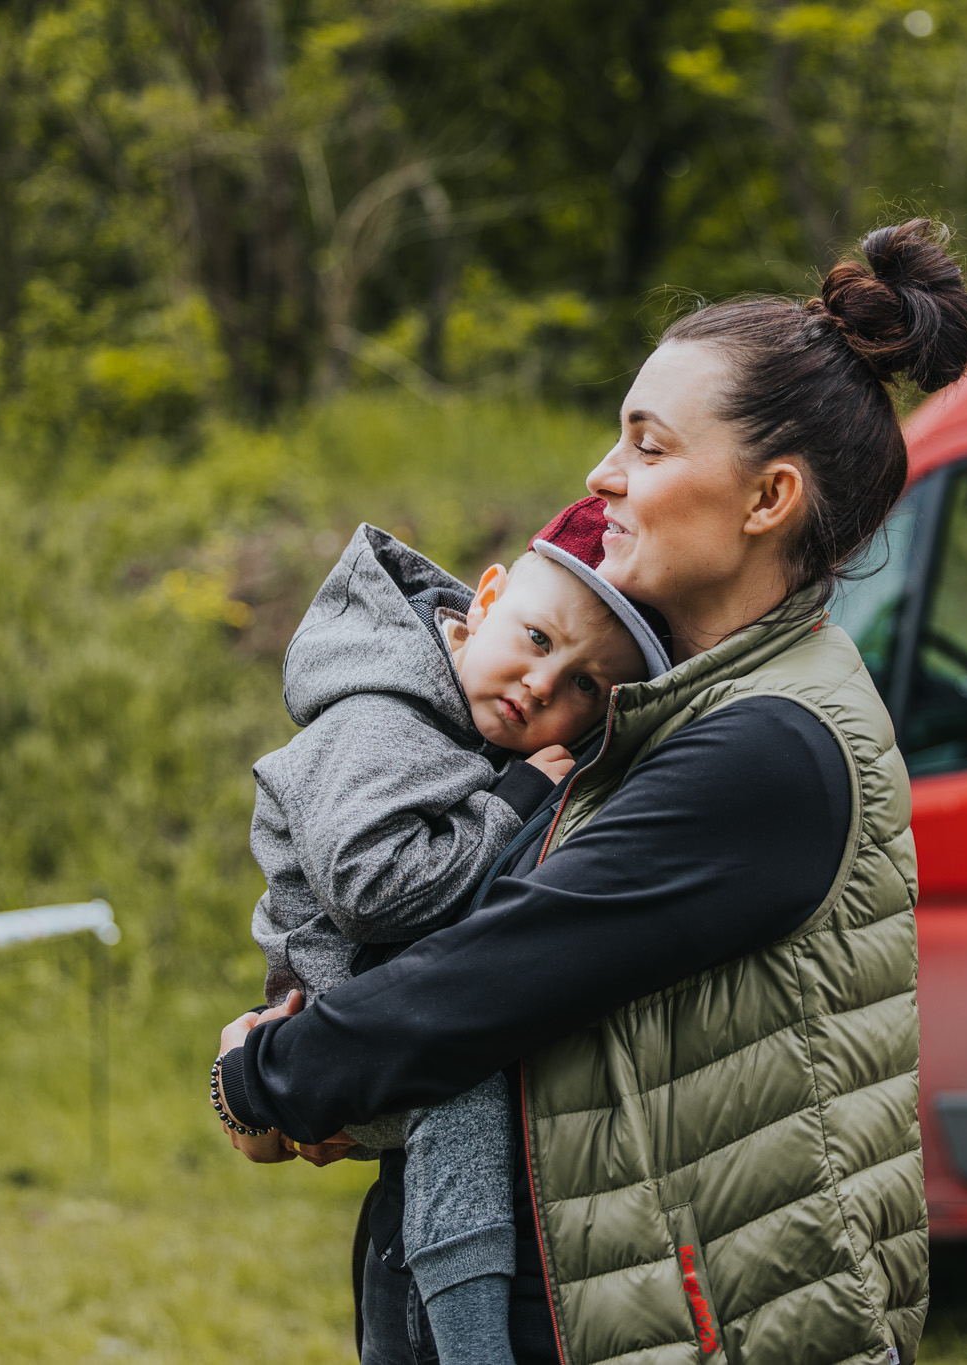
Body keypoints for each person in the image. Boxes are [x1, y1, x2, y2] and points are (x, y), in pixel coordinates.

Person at [214, 217, 967, 1365]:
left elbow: (500, 975)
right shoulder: (673, 705)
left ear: (767, 500)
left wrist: (270, 1078)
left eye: (649, 446)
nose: (601, 475)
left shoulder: (768, 746)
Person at [218, 509, 671, 1365]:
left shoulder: (452, 719)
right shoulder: (381, 714)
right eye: (536, 638)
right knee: (457, 1080)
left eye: (583, 687)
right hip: (342, 989)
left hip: (372, 1009)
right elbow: (367, 886)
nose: (543, 684)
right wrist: (509, 809)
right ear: (483, 600)